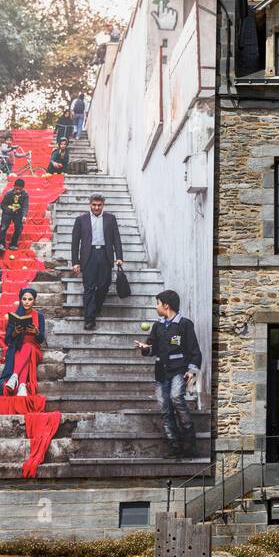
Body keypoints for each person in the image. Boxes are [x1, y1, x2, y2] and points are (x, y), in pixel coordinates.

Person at [135, 289, 202, 456]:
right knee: (165, 408)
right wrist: (145, 349)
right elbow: (152, 349)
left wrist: (192, 371)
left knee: (176, 398)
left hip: (179, 371)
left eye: (157, 303)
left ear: (166, 305)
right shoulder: (157, 326)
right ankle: (174, 446)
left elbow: (194, 350)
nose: (156, 307)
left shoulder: (185, 324)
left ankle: (189, 445)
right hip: (161, 373)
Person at [71, 193, 123, 331]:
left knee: (104, 286)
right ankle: (89, 319)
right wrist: (75, 262)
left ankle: (96, 307)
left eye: (99, 205)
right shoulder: (81, 220)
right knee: (89, 287)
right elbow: (75, 243)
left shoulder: (110, 219)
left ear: (103, 205)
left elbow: (116, 238)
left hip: (105, 255)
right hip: (89, 256)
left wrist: (119, 256)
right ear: (90, 204)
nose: (96, 207)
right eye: (94, 205)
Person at [0, 287, 46, 397]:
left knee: (28, 347)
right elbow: (8, 340)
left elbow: (41, 340)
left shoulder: (39, 316)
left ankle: (15, 376)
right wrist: (15, 332)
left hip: (34, 349)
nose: (27, 302)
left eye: (30, 299)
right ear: (20, 300)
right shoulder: (15, 315)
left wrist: (36, 332)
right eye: (24, 299)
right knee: (25, 349)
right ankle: (22, 386)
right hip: (19, 348)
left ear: (34, 301)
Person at [0, 178, 28, 254]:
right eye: (16, 189)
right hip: (7, 213)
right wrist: (9, 210)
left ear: (22, 189)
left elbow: (25, 206)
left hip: (18, 213)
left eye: (20, 189)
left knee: (19, 228)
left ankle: (13, 244)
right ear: (14, 187)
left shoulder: (25, 195)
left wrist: (24, 216)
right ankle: (1, 244)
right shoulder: (8, 194)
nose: (18, 191)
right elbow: (2, 205)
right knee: (3, 227)